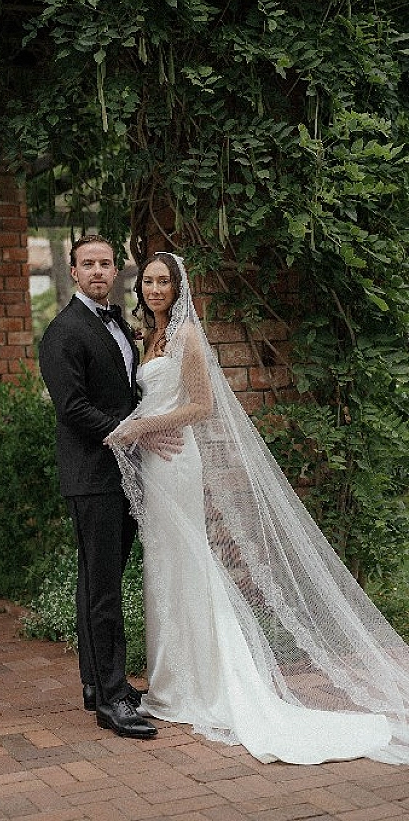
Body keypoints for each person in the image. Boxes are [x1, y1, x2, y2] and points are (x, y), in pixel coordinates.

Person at [106, 251, 409, 765]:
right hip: (156, 463)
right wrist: (139, 427)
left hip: (178, 462)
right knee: (163, 569)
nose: (155, 289)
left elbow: (200, 407)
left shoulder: (186, 338)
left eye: (164, 282)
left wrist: (141, 428)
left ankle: (199, 683)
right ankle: (170, 680)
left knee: (187, 564)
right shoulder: (147, 337)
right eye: (149, 282)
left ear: (179, 288)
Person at [38, 235, 180, 739]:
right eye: (87, 264)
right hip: (94, 475)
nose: (97, 271)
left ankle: (97, 685)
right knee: (103, 590)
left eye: (105, 263)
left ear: (116, 270)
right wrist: (133, 434)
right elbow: (73, 409)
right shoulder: (63, 333)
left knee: (97, 583)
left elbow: (122, 390)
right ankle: (114, 699)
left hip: (121, 474)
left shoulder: (119, 322)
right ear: (73, 272)